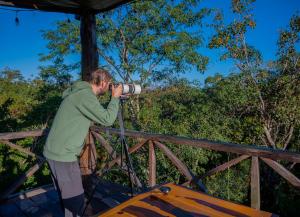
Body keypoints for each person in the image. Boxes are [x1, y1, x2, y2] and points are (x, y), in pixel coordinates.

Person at [43, 68, 122, 217]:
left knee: (66, 198)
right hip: (63, 156)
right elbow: (107, 119)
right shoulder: (85, 96)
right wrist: (115, 98)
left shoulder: (79, 93)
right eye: (110, 84)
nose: (110, 87)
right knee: (75, 202)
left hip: (53, 152)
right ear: (103, 82)